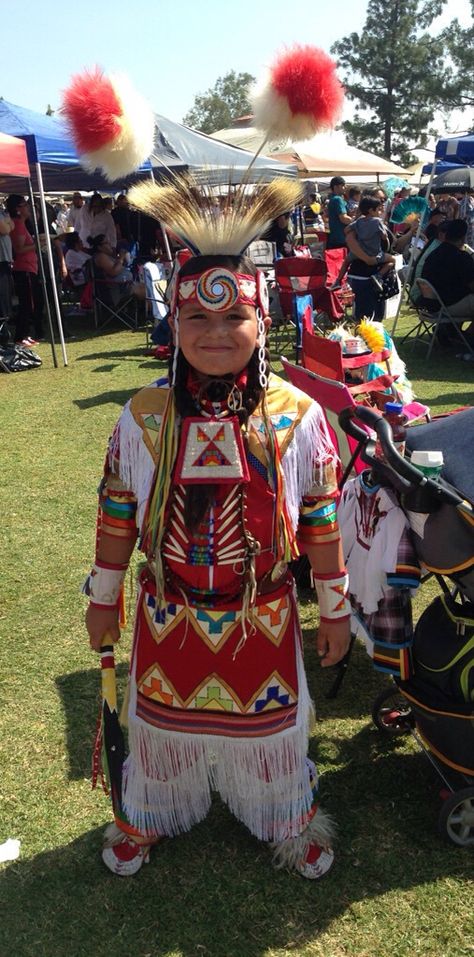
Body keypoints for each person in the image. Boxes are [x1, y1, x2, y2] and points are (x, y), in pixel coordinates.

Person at [84, 176, 351, 880]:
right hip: (170, 609)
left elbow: (320, 513)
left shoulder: (296, 415)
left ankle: (287, 819)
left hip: (259, 612)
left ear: (263, 322)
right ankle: (149, 813)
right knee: (159, 733)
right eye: (197, 321)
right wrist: (103, 594)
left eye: (235, 318)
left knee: (273, 738)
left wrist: (335, 604)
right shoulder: (145, 414)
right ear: (174, 323)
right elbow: (119, 509)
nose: (215, 334)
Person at [331, 196, 396, 291]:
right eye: (378, 210)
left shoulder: (359, 221)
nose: (380, 212)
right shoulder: (377, 221)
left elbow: (346, 230)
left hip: (358, 252)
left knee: (346, 262)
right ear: (371, 210)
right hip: (374, 253)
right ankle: (378, 276)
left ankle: (338, 281)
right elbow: (384, 236)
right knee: (393, 260)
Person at [6, 194, 44, 346]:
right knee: (27, 303)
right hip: (23, 268)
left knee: (30, 302)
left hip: (29, 267)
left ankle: (25, 334)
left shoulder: (22, 224)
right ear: (18, 209)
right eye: (25, 205)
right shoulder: (18, 225)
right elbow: (19, 248)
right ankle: (20, 336)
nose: (28, 208)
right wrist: (38, 244)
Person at [420, 218, 474, 322]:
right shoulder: (461, 257)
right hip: (448, 305)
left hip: (431, 304)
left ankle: (454, 333)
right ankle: (468, 334)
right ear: (463, 238)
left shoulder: (433, 254)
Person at [88, 234, 144, 305]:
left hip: (122, 286)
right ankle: (153, 313)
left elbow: (117, 268)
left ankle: (149, 311)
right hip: (115, 291)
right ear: (99, 247)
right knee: (146, 290)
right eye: (107, 243)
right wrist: (121, 258)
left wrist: (122, 260)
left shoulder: (106, 256)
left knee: (147, 287)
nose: (110, 245)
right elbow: (113, 272)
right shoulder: (101, 257)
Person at [326, 176, 352, 249]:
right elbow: (343, 218)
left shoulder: (332, 199)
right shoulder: (338, 199)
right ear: (336, 187)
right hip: (342, 238)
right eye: (343, 185)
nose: (345, 187)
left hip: (335, 237)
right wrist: (357, 221)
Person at [0, 205, 14, 321]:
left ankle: (7, 315)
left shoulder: (2, 212)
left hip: (5, 258)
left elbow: (11, 226)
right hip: (1, 258)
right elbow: (5, 230)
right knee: (2, 290)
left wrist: (8, 222)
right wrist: (7, 223)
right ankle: (4, 316)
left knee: (7, 289)